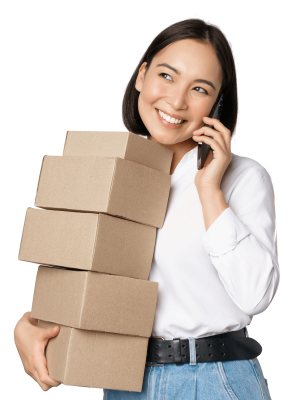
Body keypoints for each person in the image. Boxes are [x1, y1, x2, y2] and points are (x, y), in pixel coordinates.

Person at [14, 17, 279, 398]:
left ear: (217, 103)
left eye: (199, 88)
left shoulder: (243, 178)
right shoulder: (109, 169)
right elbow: (82, 280)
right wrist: (29, 323)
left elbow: (256, 295)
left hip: (212, 380)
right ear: (141, 76)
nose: (176, 100)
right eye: (167, 76)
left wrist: (208, 189)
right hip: (125, 380)